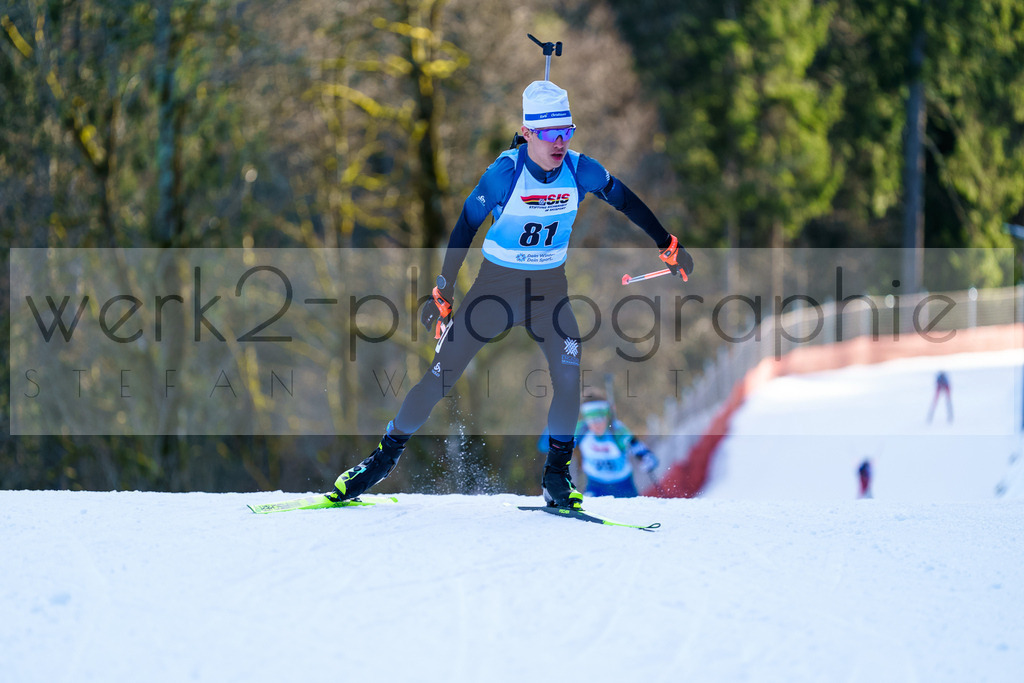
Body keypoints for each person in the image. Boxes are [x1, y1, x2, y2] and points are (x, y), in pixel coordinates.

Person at [328, 80, 693, 510]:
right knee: (441, 378)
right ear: (528, 132)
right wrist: (442, 289)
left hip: (549, 292)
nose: (560, 142)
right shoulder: (504, 173)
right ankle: (380, 461)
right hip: (495, 290)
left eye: (567, 131)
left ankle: (556, 477)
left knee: (569, 375)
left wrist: (666, 242)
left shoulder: (581, 169)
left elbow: (625, 200)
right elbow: (465, 226)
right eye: (550, 133)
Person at [540, 395, 659, 497]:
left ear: (607, 417)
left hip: (623, 485)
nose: (596, 424)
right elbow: (545, 446)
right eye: (592, 420)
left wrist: (647, 459)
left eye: (600, 418)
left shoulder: (617, 430)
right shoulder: (582, 430)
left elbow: (639, 448)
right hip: (595, 485)